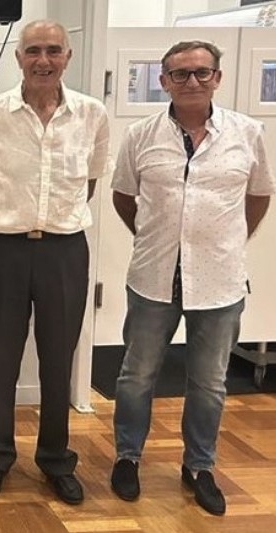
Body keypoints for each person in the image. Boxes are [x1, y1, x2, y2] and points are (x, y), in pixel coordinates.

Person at [109, 40, 274, 516]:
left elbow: (259, 195)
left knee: (209, 383)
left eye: (202, 72)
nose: (192, 81)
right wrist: (157, 236)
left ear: (217, 78)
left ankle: (199, 466)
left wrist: (226, 240)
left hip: (219, 281)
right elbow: (123, 196)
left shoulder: (246, 133)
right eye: (180, 74)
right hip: (153, 277)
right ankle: (126, 457)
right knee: (136, 376)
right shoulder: (141, 135)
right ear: (164, 81)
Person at [0, 20, 109, 505]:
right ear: (18, 58)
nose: (42, 60)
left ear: (67, 56)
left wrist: (52, 220)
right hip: (4, 249)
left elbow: (89, 183)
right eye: (33, 51)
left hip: (65, 250)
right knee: (1, 358)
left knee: (58, 359)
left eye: (52, 50)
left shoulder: (92, 114)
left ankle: (54, 459)